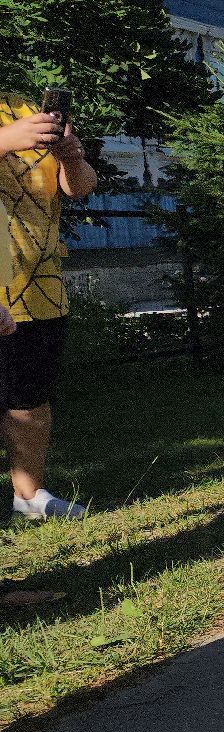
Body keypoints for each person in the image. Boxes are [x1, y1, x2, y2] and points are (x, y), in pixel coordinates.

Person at [0, 88, 96, 521]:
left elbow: (80, 188)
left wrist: (72, 158)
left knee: (30, 400)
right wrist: (6, 141)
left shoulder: (26, 108)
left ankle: (28, 497)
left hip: (39, 285)